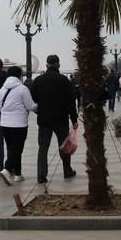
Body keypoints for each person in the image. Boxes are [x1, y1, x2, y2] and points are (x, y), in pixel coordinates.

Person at [30, 55, 78, 184]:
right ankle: (67, 170)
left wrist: (39, 111)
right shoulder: (63, 80)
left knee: (43, 146)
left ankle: (41, 174)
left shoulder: (38, 80)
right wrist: (74, 118)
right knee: (64, 145)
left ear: (46, 65)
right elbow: (70, 102)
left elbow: (33, 99)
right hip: (61, 119)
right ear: (58, 65)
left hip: (44, 119)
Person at [0, 66, 38, 186]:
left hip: (5, 123)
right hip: (19, 124)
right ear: (19, 76)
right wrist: (38, 106)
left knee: (11, 148)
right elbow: (30, 106)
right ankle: (7, 169)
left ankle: (18, 174)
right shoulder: (22, 89)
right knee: (18, 149)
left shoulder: (2, 89)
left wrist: (7, 112)